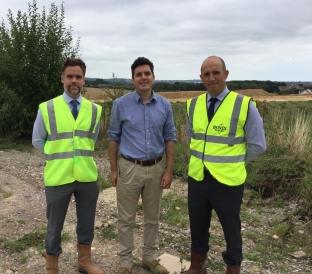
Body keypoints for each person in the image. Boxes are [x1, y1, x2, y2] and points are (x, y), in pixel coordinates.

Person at [183, 56, 266, 274]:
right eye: (207, 74)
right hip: (198, 178)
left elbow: (258, 145)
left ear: (226, 74)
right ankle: (197, 267)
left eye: (216, 73)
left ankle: (232, 268)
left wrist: (237, 162)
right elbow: (192, 138)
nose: (212, 78)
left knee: (231, 231)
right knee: (198, 227)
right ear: (201, 78)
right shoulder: (192, 105)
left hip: (227, 182)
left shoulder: (244, 105)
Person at [32, 58, 103, 274]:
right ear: (62, 78)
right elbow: (37, 140)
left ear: (83, 81)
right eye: (70, 76)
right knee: (54, 226)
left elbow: (92, 139)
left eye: (78, 77)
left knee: (87, 222)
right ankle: (52, 266)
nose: (74, 81)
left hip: (87, 177)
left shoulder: (95, 110)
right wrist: (55, 155)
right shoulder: (47, 108)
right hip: (58, 176)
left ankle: (84, 261)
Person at [108, 57, 177, 274]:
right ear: (133, 79)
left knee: (152, 218)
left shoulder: (165, 105)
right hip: (129, 167)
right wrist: (113, 169)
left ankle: (149, 258)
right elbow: (113, 137)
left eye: (147, 73)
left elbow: (170, 138)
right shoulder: (120, 104)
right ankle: (126, 263)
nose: (143, 77)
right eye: (139, 74)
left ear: (153, 77)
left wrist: (168, 170)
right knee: (126, 219)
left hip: (156, 168)